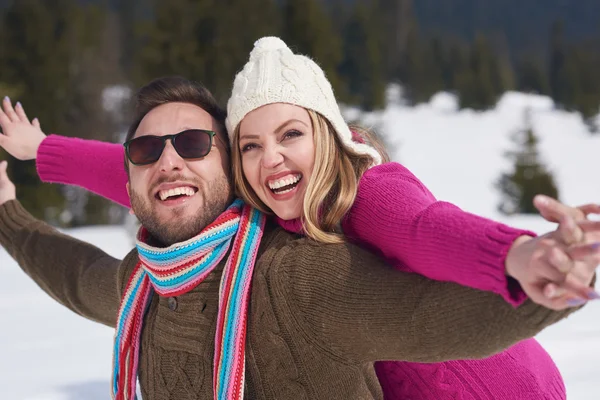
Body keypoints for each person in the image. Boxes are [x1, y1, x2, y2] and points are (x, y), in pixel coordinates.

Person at [1, 38, 600, 400]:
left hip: (491, 378)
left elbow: (429, 230)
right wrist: (39, 154)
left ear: (329, 134)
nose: (273, 159)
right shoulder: (209, 228)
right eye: (252, 146)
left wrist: (519, 259)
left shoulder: (367, 194)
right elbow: (157, 178)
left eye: (292, 134)